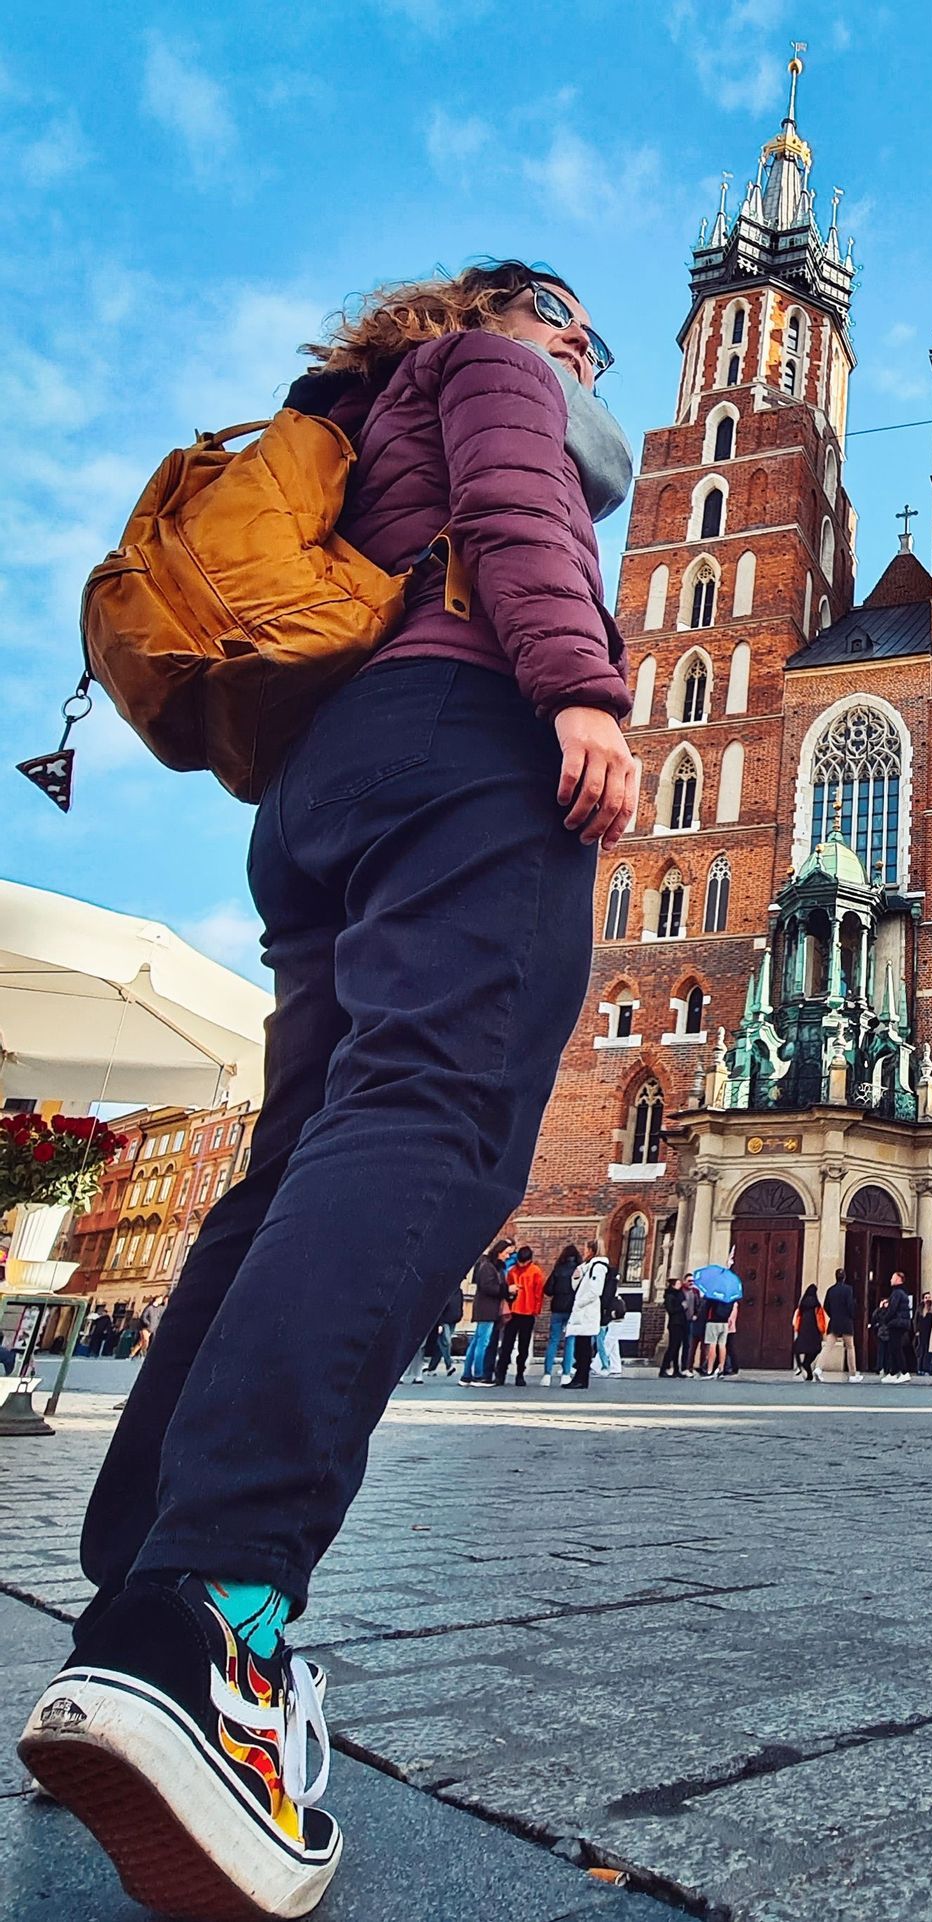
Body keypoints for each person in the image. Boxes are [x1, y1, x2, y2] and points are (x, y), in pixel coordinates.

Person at [22, 260, 636, 1917]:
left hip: (315, 794)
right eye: (571, 312)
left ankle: (123, 1611)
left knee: (295, 1163)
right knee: (433, 1120)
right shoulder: (493, 371)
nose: (586, 342)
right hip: (465, 734)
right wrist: (579, 683)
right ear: (507, 304)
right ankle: (212, 1620)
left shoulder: (350, 415)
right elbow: (518, 508)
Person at [491, 1246, 545, 1386]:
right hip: (514, 1312)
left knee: (523, 1346)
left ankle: (520, 1373)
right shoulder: (515, 1271)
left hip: (527, 1312)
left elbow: (539, 1293)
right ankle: (501, 1373)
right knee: (507, 1345)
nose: (521, 1265)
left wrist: (536, 1310)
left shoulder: (535, 1272)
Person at [561, 1241, 609, 1389]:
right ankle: (579, 1377)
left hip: (587, 1312)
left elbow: (595, 1291)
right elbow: (577, 1285)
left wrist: (580, 1303)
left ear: (591, 1250)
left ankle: (582, 1378)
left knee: (583, 1346)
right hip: (583, 1312)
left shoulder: (598, 1267)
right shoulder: (588, 1267)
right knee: (580, 1345)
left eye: (586, 1249)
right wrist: (577, 1275)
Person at [462, 1240, 511, 1384]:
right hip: (487, 1309)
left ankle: (466, 1375)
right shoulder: (487, 1267)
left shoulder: (493, 1267)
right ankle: (478, 1375)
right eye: (507, 1253)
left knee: (477, 1341)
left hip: (487, 1308)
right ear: (499, 1252)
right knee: (482, 1342)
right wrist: (507, 1290)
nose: (508, 1256)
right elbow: (488, 1287)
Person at [540, 1242, 581, 1385]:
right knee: (570, 1342)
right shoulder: (579, 1270)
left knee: (553, 1341)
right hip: (572, 1310)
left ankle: (547, 1374)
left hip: (557, 1308)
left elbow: (548, 1289)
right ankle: (566, 1373)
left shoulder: (558, 1269)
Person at [409, 1282, 463, 1383]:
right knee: (444, 1342)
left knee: (439, 1345)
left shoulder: (457, 1291)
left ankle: (428, 1370)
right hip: (441, 1321)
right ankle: (448, 1365)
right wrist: (440, 1323)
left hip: (451, 1319)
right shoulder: (445, 1291)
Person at [822, 1268, 861, 1381]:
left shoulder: (830, 1290)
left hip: (834, 1321)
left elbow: (826, 1306)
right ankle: (853, 1374)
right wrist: (852, 1315)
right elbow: (850, 1305)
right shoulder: (848, 1290)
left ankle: (818, 1369)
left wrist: (833, 1315)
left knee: (827, 1347)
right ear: (844, 1277)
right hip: (846, 1322)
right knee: (850, 1347)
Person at [593, 1247, 624, 1374]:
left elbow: (605, 1297)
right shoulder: (613, 1282)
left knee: (606, 1341)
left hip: (609, 1313)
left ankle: (599, 1365)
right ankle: (616, 1366)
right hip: (614, 1313)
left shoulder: (608, 1282)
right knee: (612, 1341)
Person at [883, 1273, 914, 1382]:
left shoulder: (897, 1293)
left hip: (897, 1323)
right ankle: (893, 1372)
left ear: (898, 1279)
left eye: (892, 1278)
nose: (890, 1280)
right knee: (893, 1347)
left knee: (896, 1348)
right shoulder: (901, 1292)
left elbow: (893, 1309)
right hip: (900, 1322)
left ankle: (904, 1372)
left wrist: (885, 1319)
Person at [793, 1284, 826, 1383]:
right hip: (814, 1332)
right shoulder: (816, 1305)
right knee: (815, 1350)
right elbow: (821, 1319)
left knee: (797, 1348)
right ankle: (806, 1365)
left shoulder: (802, 1305)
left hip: (803, 1331)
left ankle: (800, 1366)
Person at [659, 1274, 690, 1378]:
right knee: (672, 1347)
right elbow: (671, 1310)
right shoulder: (669, 1296)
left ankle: (676, 1369)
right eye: (678, 1283)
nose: (680, 1285)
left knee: (677, 1347)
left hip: (682, 1323)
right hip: (675, 1324)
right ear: (673, 1285)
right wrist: (681, 1307)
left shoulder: (679, 1294)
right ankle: (664, 1368)